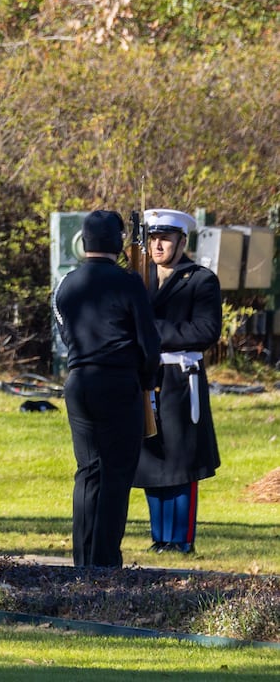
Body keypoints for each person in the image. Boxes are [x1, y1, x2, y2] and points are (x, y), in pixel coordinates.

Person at [52, 210, 162, 568]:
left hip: (79, 382)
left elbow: (66, 335)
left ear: (84, 242)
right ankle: (104, 561)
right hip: (118, 383)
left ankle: (82, 560)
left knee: (88, 472)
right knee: (117, 473)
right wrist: (148, 382)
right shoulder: (129, 284)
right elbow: (149, 343)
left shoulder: (66, 284)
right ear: (117, 245)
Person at [132, 208, 222, 555]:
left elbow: (205, 330)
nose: (158, 245)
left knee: (182, 459)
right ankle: (160, 537)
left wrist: (153, 331)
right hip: (148, 376)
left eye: (166, 238)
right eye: (153, 238)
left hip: (181, 379)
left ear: (182, 241)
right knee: (152, 457)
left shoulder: (200, 279)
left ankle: (180, 538)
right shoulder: (139, 279)